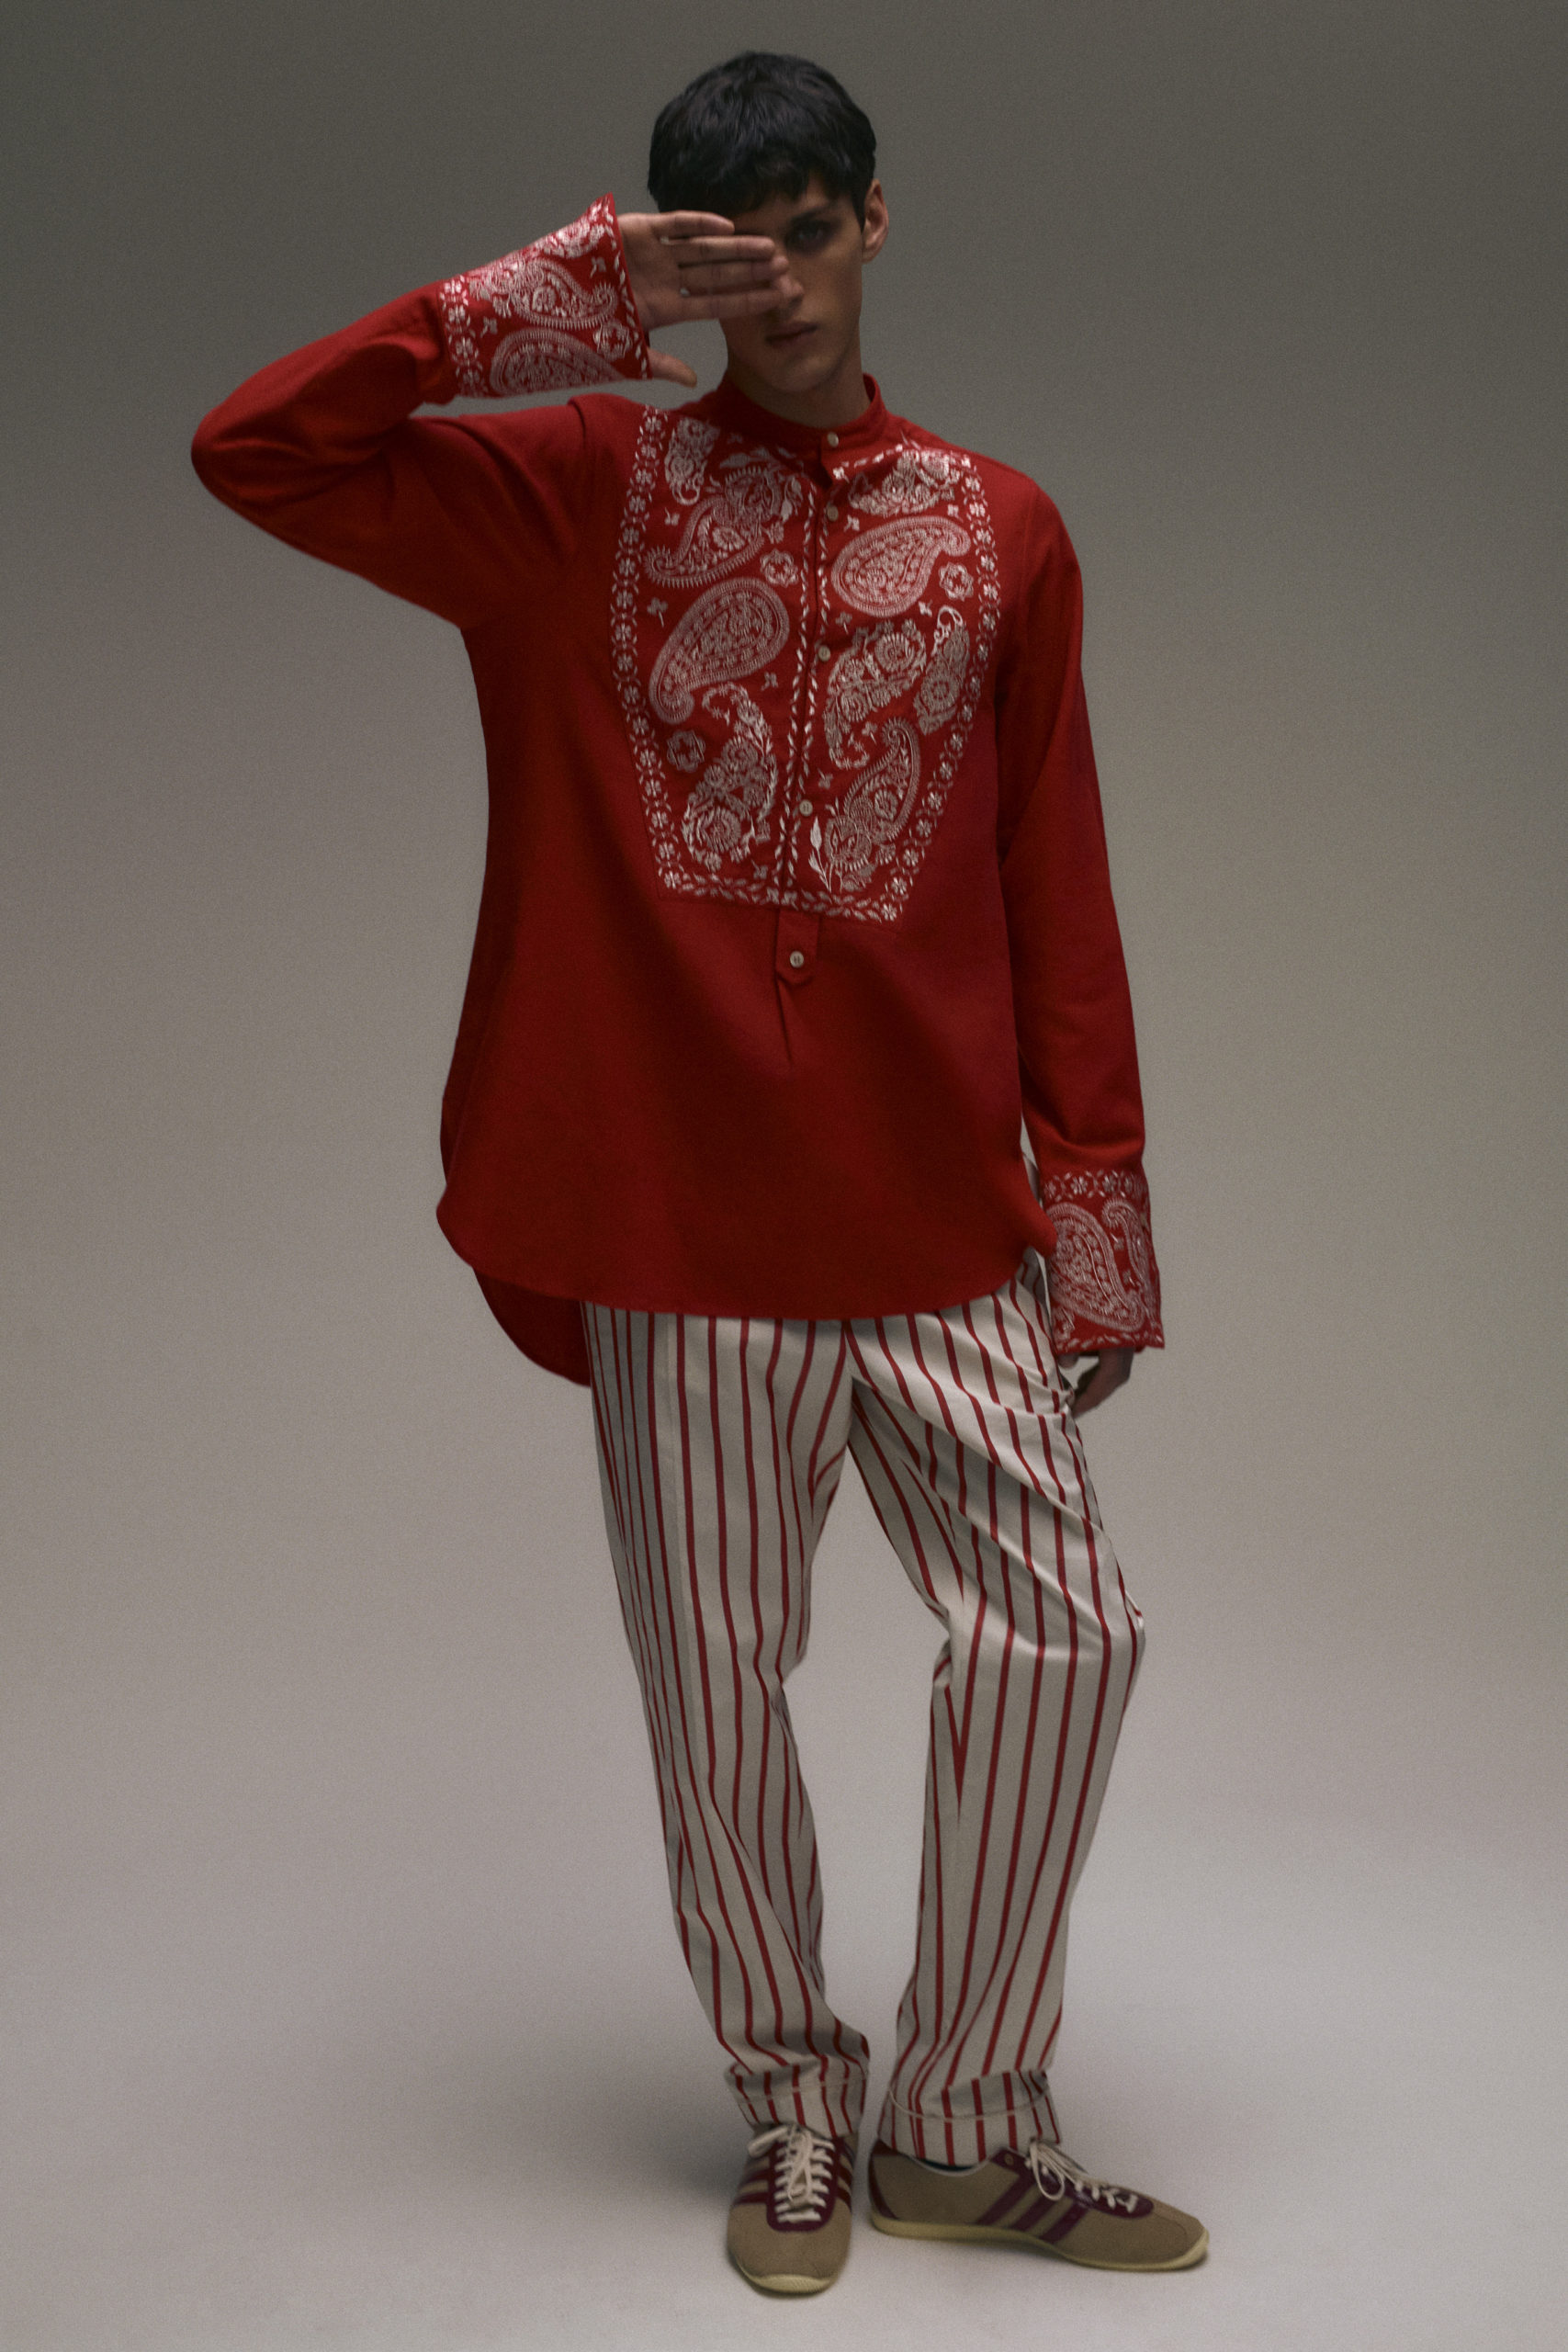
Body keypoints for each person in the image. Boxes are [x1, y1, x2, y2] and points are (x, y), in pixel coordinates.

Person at [192, 49, 1206, 2299]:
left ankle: (961, 2118)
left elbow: (1055, 885)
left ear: (873, 219)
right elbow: (258, 448)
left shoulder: (1003, 526)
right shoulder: (576, 490)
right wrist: (555, 296)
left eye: (810, 231)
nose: (782, 286)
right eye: (728, 253)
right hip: (674, 1234)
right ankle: (792, 2105)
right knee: (715, 1694)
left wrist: (1098, 1215)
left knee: (1071, 1632)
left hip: (939, 1229)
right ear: (679, 261)